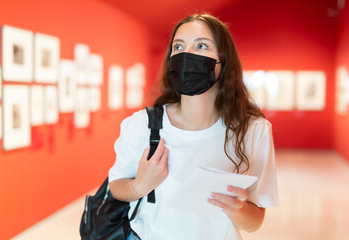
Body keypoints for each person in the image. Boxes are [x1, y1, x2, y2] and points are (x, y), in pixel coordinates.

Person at [109, 13, 278, 240]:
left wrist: (237, 208)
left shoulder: (254, 130)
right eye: (178, 46)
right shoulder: (143, 125)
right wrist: (139, 187)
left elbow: (255, 221)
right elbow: (117, 186)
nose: (186, 54)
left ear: (224, 60)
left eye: (201, 45)